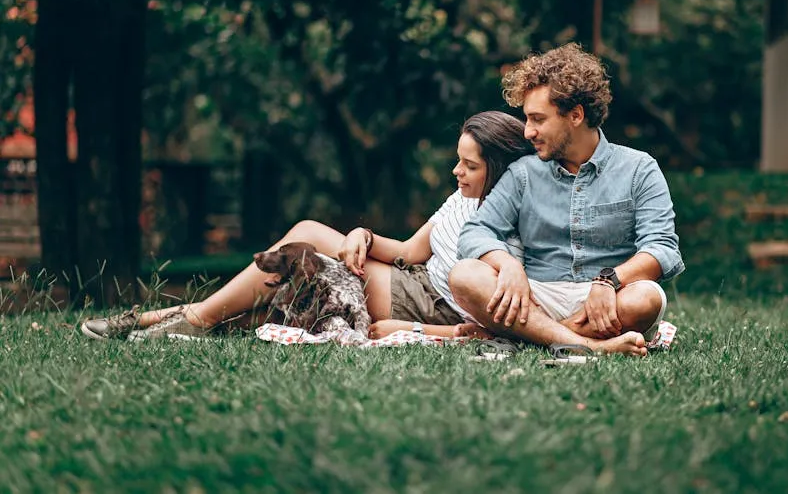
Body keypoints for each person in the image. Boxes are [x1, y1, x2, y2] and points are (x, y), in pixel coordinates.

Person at [81, 111, 533, 341]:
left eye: (469, 165)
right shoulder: (463, 197)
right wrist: (366, 236)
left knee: (304, 248)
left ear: (498, 168)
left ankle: (177, 318)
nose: (456, 171)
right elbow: (410, 251)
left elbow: (492, 314)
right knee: (303, 249)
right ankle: (175, 320)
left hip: (428, 303)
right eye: (457, 159)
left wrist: (428, 332)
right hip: (408, 277)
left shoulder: (510, 219)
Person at [449, 43, 685, 357]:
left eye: (537, 119)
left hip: (608, 299)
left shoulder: (639, 169)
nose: (528, 132)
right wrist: (508, 266)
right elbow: (474, 232)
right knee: (464, 275)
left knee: (647, 298)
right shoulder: (523, 174)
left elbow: (662, 247)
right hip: (536, 295)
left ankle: (536, 335)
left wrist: (608, 281)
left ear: (575, 115)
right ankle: (591, 345)